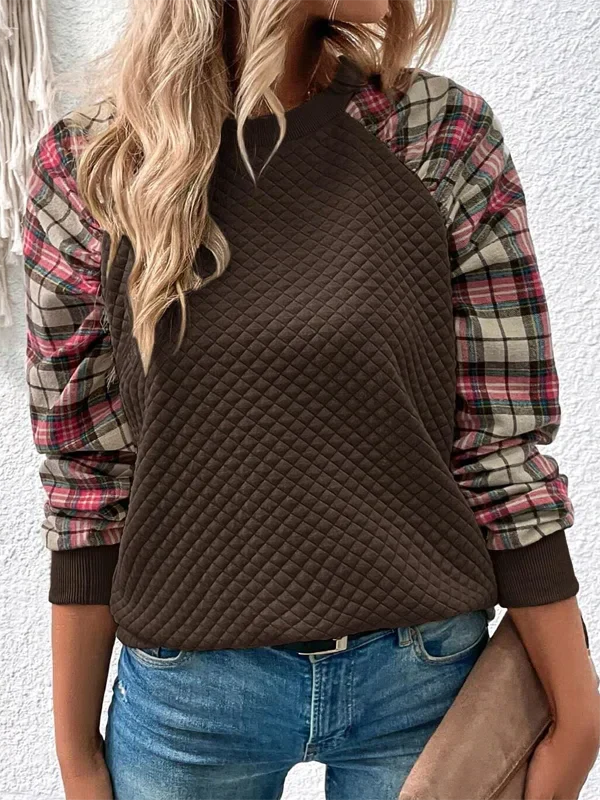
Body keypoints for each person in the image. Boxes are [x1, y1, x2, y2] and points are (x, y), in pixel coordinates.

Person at [22, 1, 600, 798]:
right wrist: (76, 756)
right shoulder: (91, 168)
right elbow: (87, 478)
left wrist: (578, 709)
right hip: (189, 701)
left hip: (421, 680)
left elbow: (500, 445)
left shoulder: (437, 137)